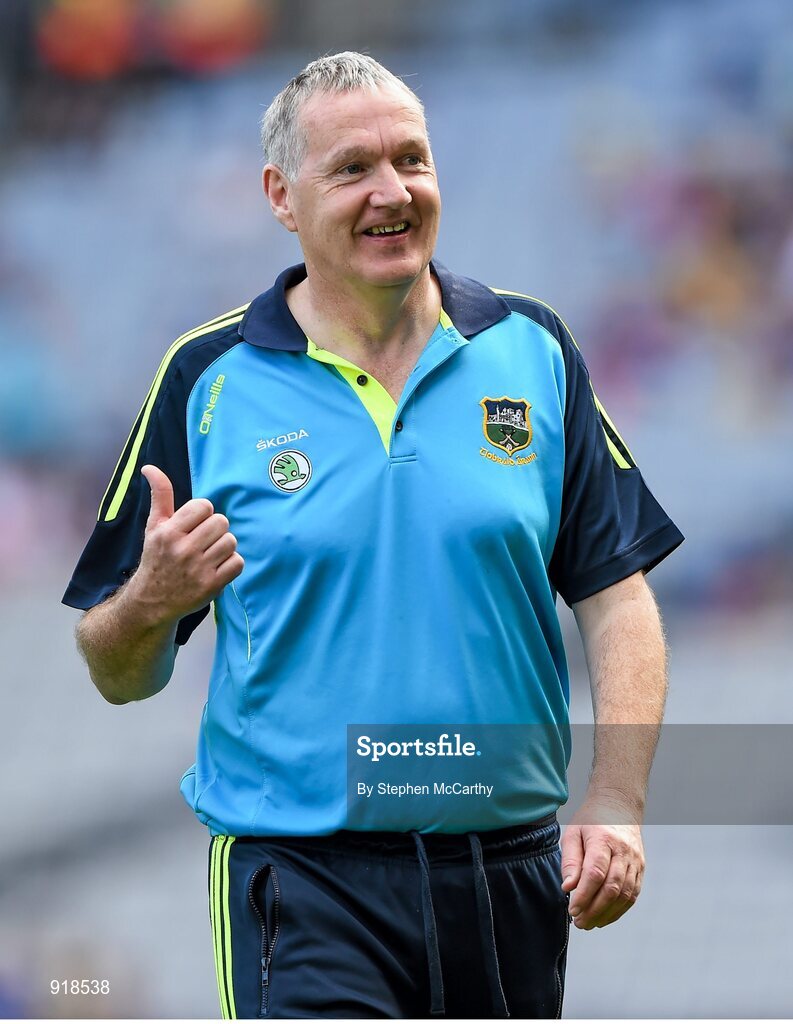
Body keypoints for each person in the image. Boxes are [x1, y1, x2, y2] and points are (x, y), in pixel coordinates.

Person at [63, 52, 683, 1019]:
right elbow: (115, 668)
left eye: (412, 160)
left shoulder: (531, 349)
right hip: (306, 884)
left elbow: (617, 597)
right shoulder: (206, 379)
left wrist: (616, 803)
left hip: (508, 877)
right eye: (352, 168)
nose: (392, 192)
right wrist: (149, 601)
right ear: (281, 195)